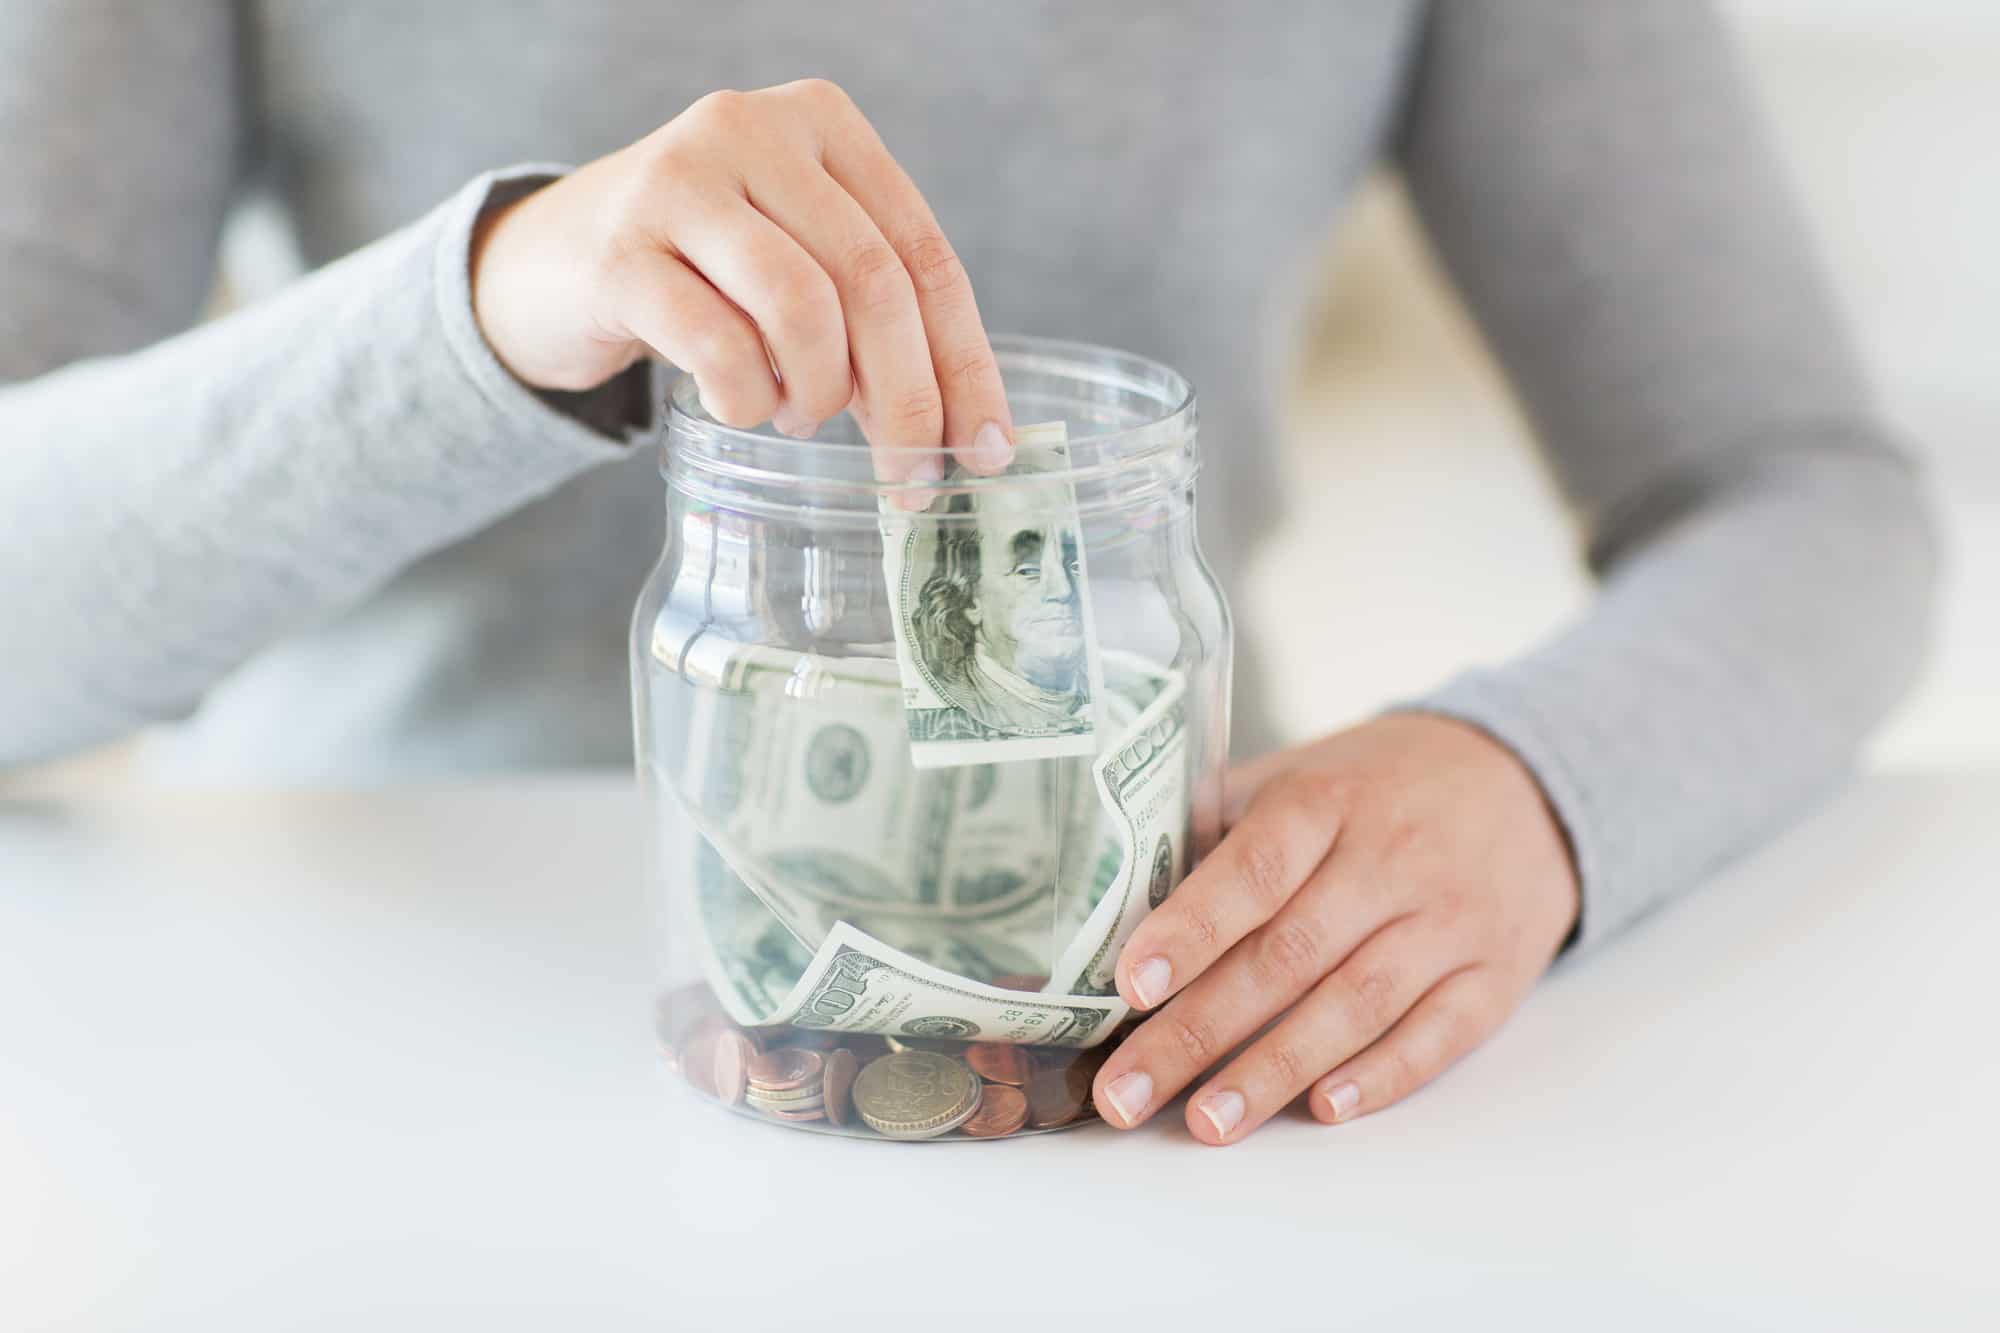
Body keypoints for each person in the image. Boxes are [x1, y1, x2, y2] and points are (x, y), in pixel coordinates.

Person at [0, 3, 1936, 1145]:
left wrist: (1532, 785)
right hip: (353, 1052)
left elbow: (1809, 493)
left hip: (1133, 1030)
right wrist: (494, 304)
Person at [909, 493, 1092, 742]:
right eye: (1028, 570)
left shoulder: (1106, 688)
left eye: (1075, 565)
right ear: (970, 597)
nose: (1064, 589)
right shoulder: (963, 702)